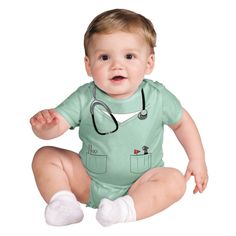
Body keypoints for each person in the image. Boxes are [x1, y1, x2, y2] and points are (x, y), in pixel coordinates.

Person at [30, 8, 208, 227]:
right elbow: (57, 126)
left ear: (149, 63)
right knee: (44, 156)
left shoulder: (157, 97)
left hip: (142, 184)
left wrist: (197, 159)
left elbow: (182, 122)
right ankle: (64, 203)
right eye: (104, 57)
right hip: (89, 181)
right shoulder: (85, 97)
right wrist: (45, 127)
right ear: (88, 65)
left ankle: (123, 210)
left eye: (129, 56)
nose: (116, 65)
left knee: (175, 181)